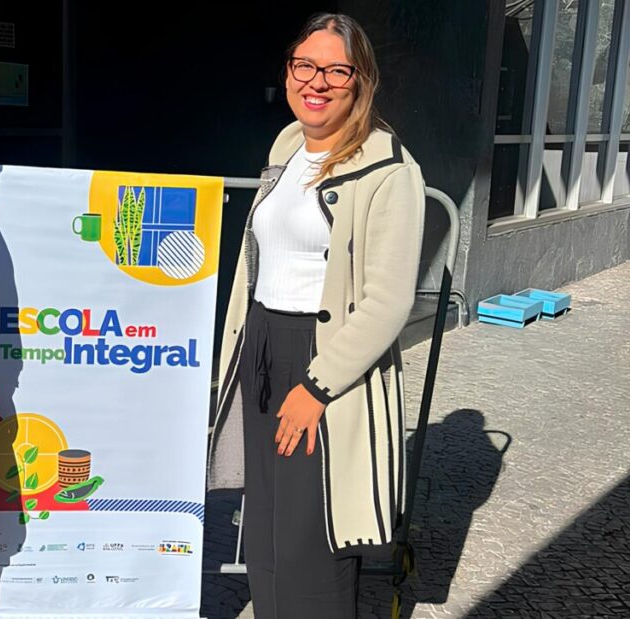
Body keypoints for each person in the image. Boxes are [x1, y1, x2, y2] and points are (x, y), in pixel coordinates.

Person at [214, 12, 425, 618]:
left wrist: (316, 386)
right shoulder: (287, 144)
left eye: (336, 70)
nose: (317, 82)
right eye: (304, 65)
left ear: (361, 81)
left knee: (312, 535)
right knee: (266, 529)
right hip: (262, 346)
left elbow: (388, 300)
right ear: (288, 71)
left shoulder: (390, 169)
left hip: (322, 360)